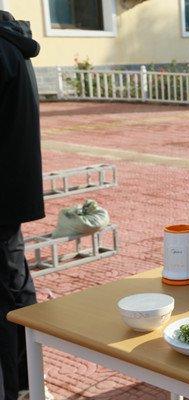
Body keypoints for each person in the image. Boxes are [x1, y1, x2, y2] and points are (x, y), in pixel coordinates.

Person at [0, 11, 51, 400]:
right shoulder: (11, 45)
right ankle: (26, 382)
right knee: (14, 285)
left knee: (10, 292)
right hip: (9, 195)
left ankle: (21, 383)